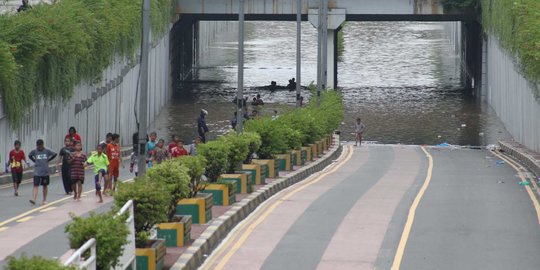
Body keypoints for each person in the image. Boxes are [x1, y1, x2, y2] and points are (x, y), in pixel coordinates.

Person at [28, 139, 57, 205]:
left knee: (45, 185)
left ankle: (44, 199)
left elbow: (55, 154)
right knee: (36, 185)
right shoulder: (35, 151)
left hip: (45, 171)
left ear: (43, 145)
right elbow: (29, 155)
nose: (39, 148)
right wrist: (34, 160)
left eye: (40, 146)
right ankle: (34, 199)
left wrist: (48, 160)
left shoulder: (47, 150)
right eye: (38, 146)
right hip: (37, 171)